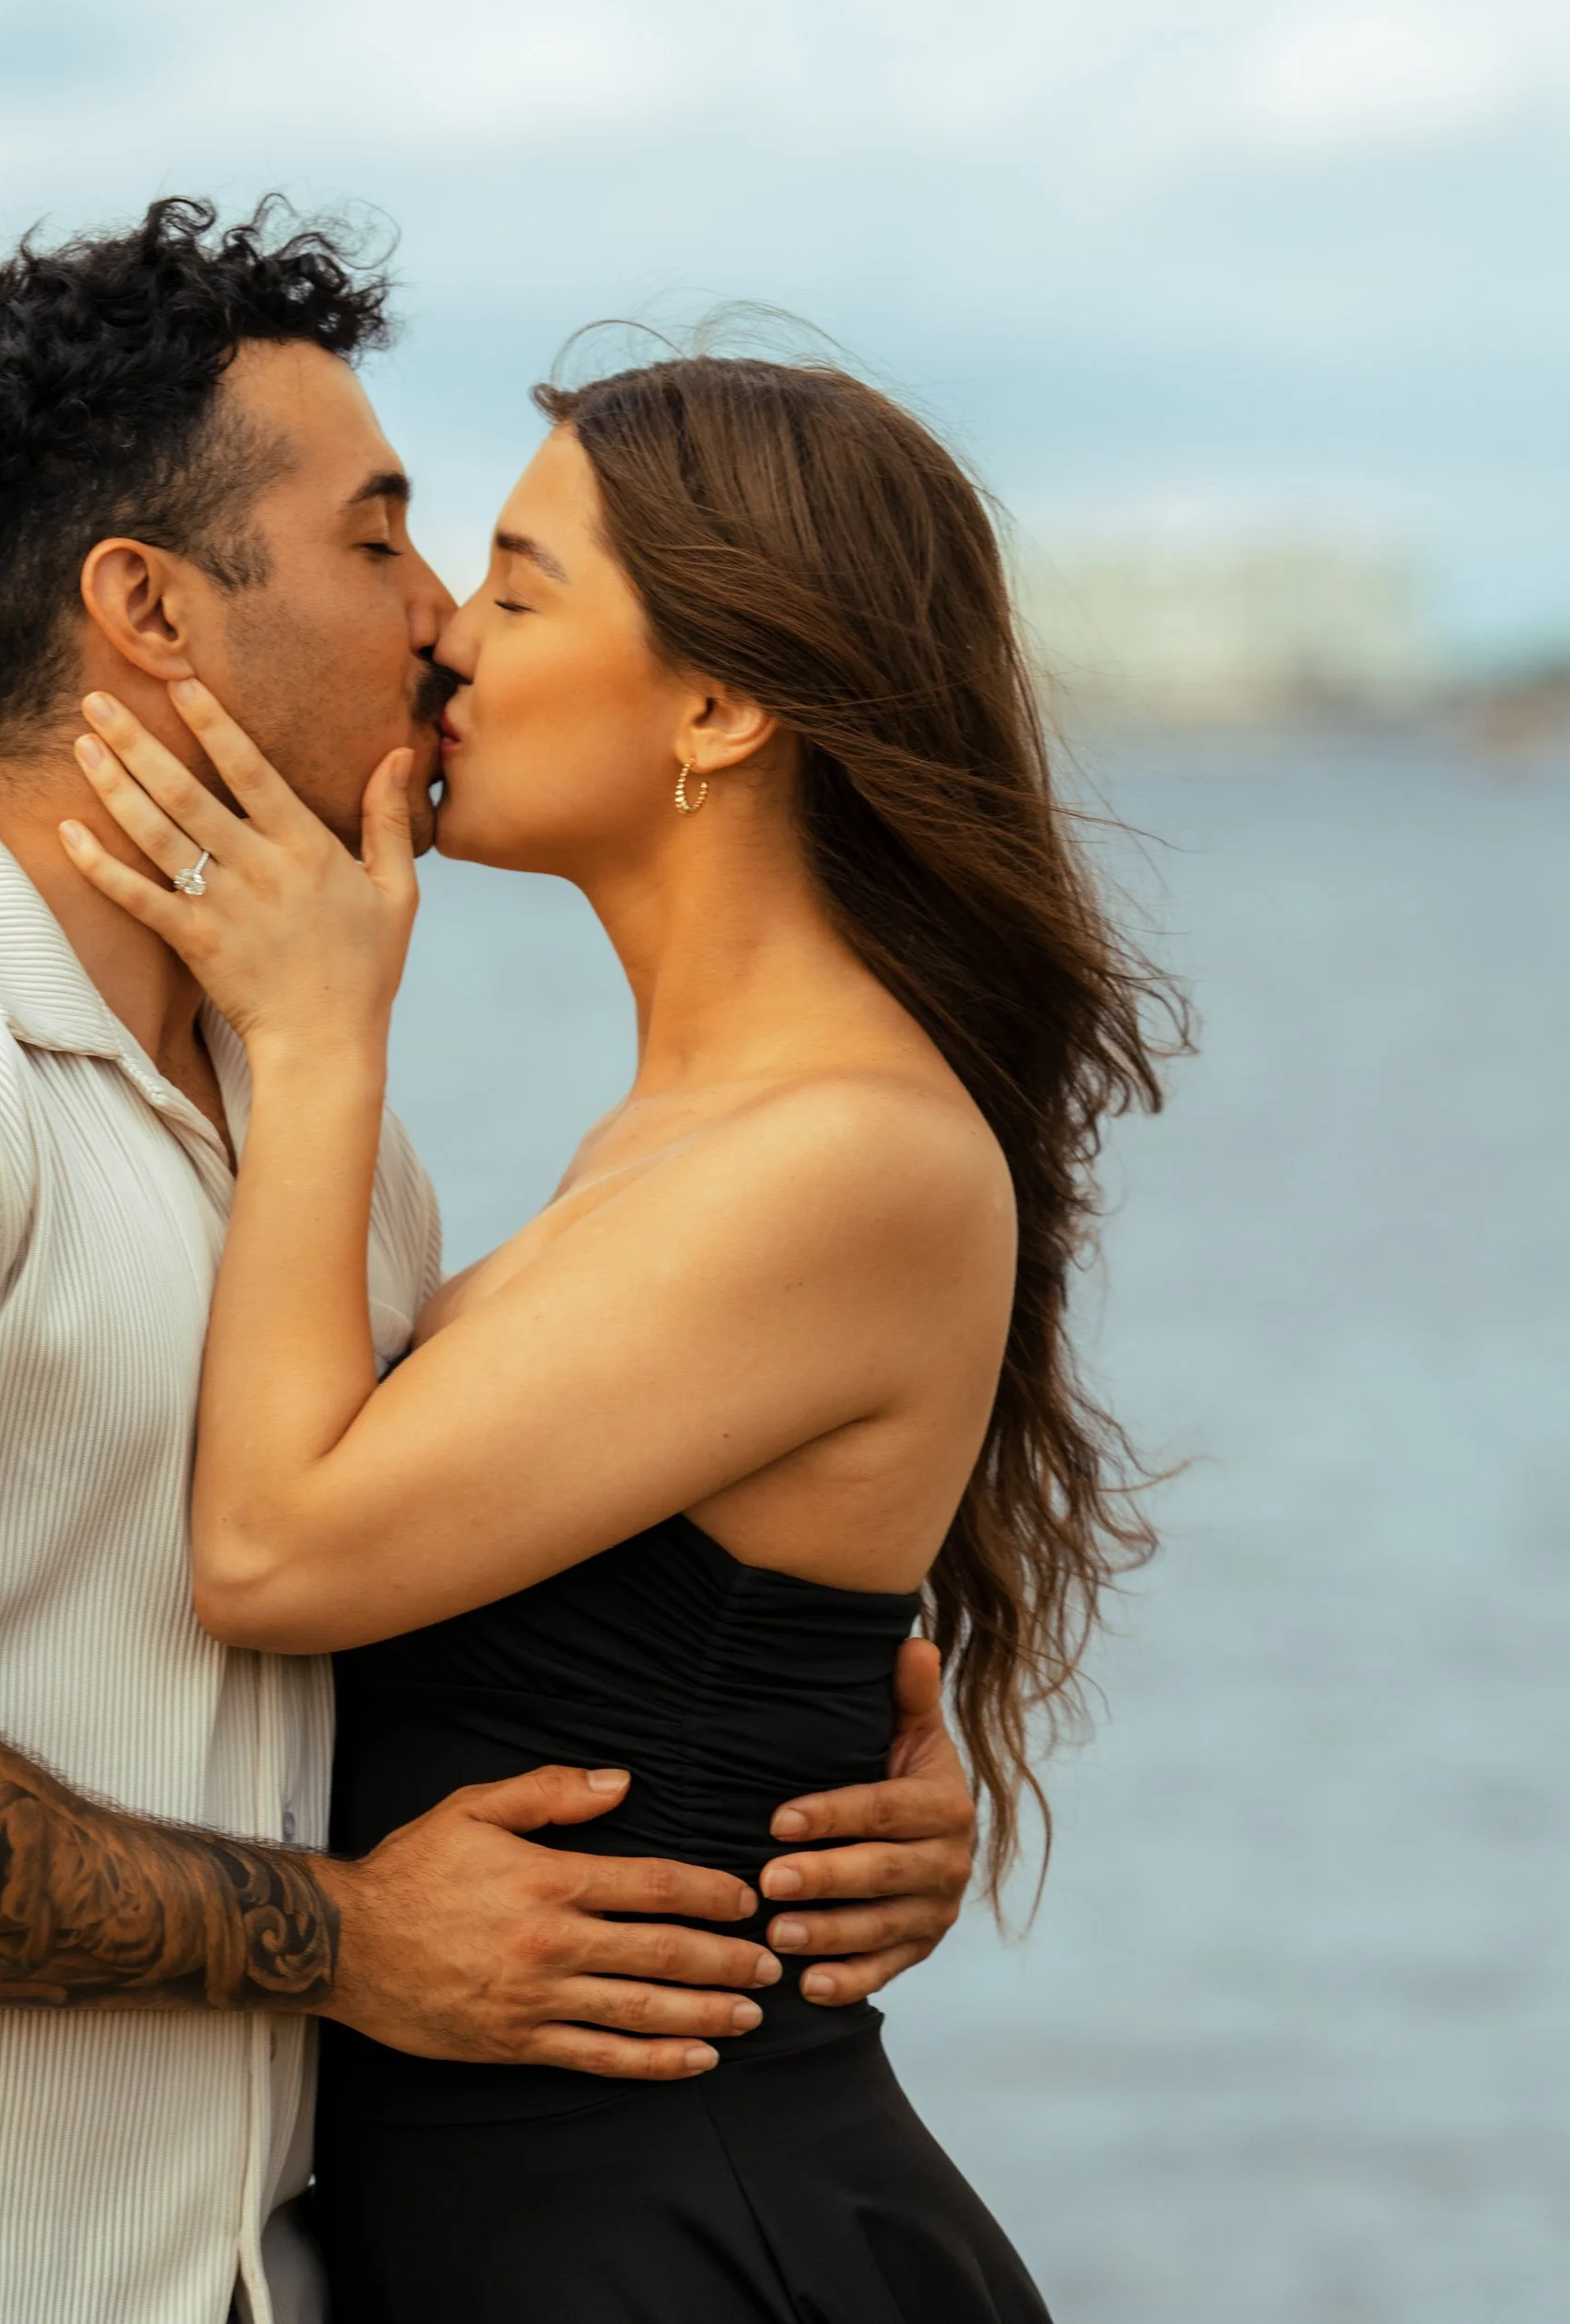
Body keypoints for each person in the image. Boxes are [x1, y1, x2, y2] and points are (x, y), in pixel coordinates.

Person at [0, 202, 980, 2324]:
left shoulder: (322, 1143)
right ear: (151, 607)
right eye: (381, 542)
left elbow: (390, 1617)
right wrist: (354, 1940)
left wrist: (791, 1763)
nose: (439, 622)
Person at [61, 346, 1172, 2319]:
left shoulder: (844, 1153)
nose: (442, 638)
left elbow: (273, 1552)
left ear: (720, 707)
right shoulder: (698, 1134)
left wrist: (317, 1036)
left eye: (515, 587)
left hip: (671, 2234)